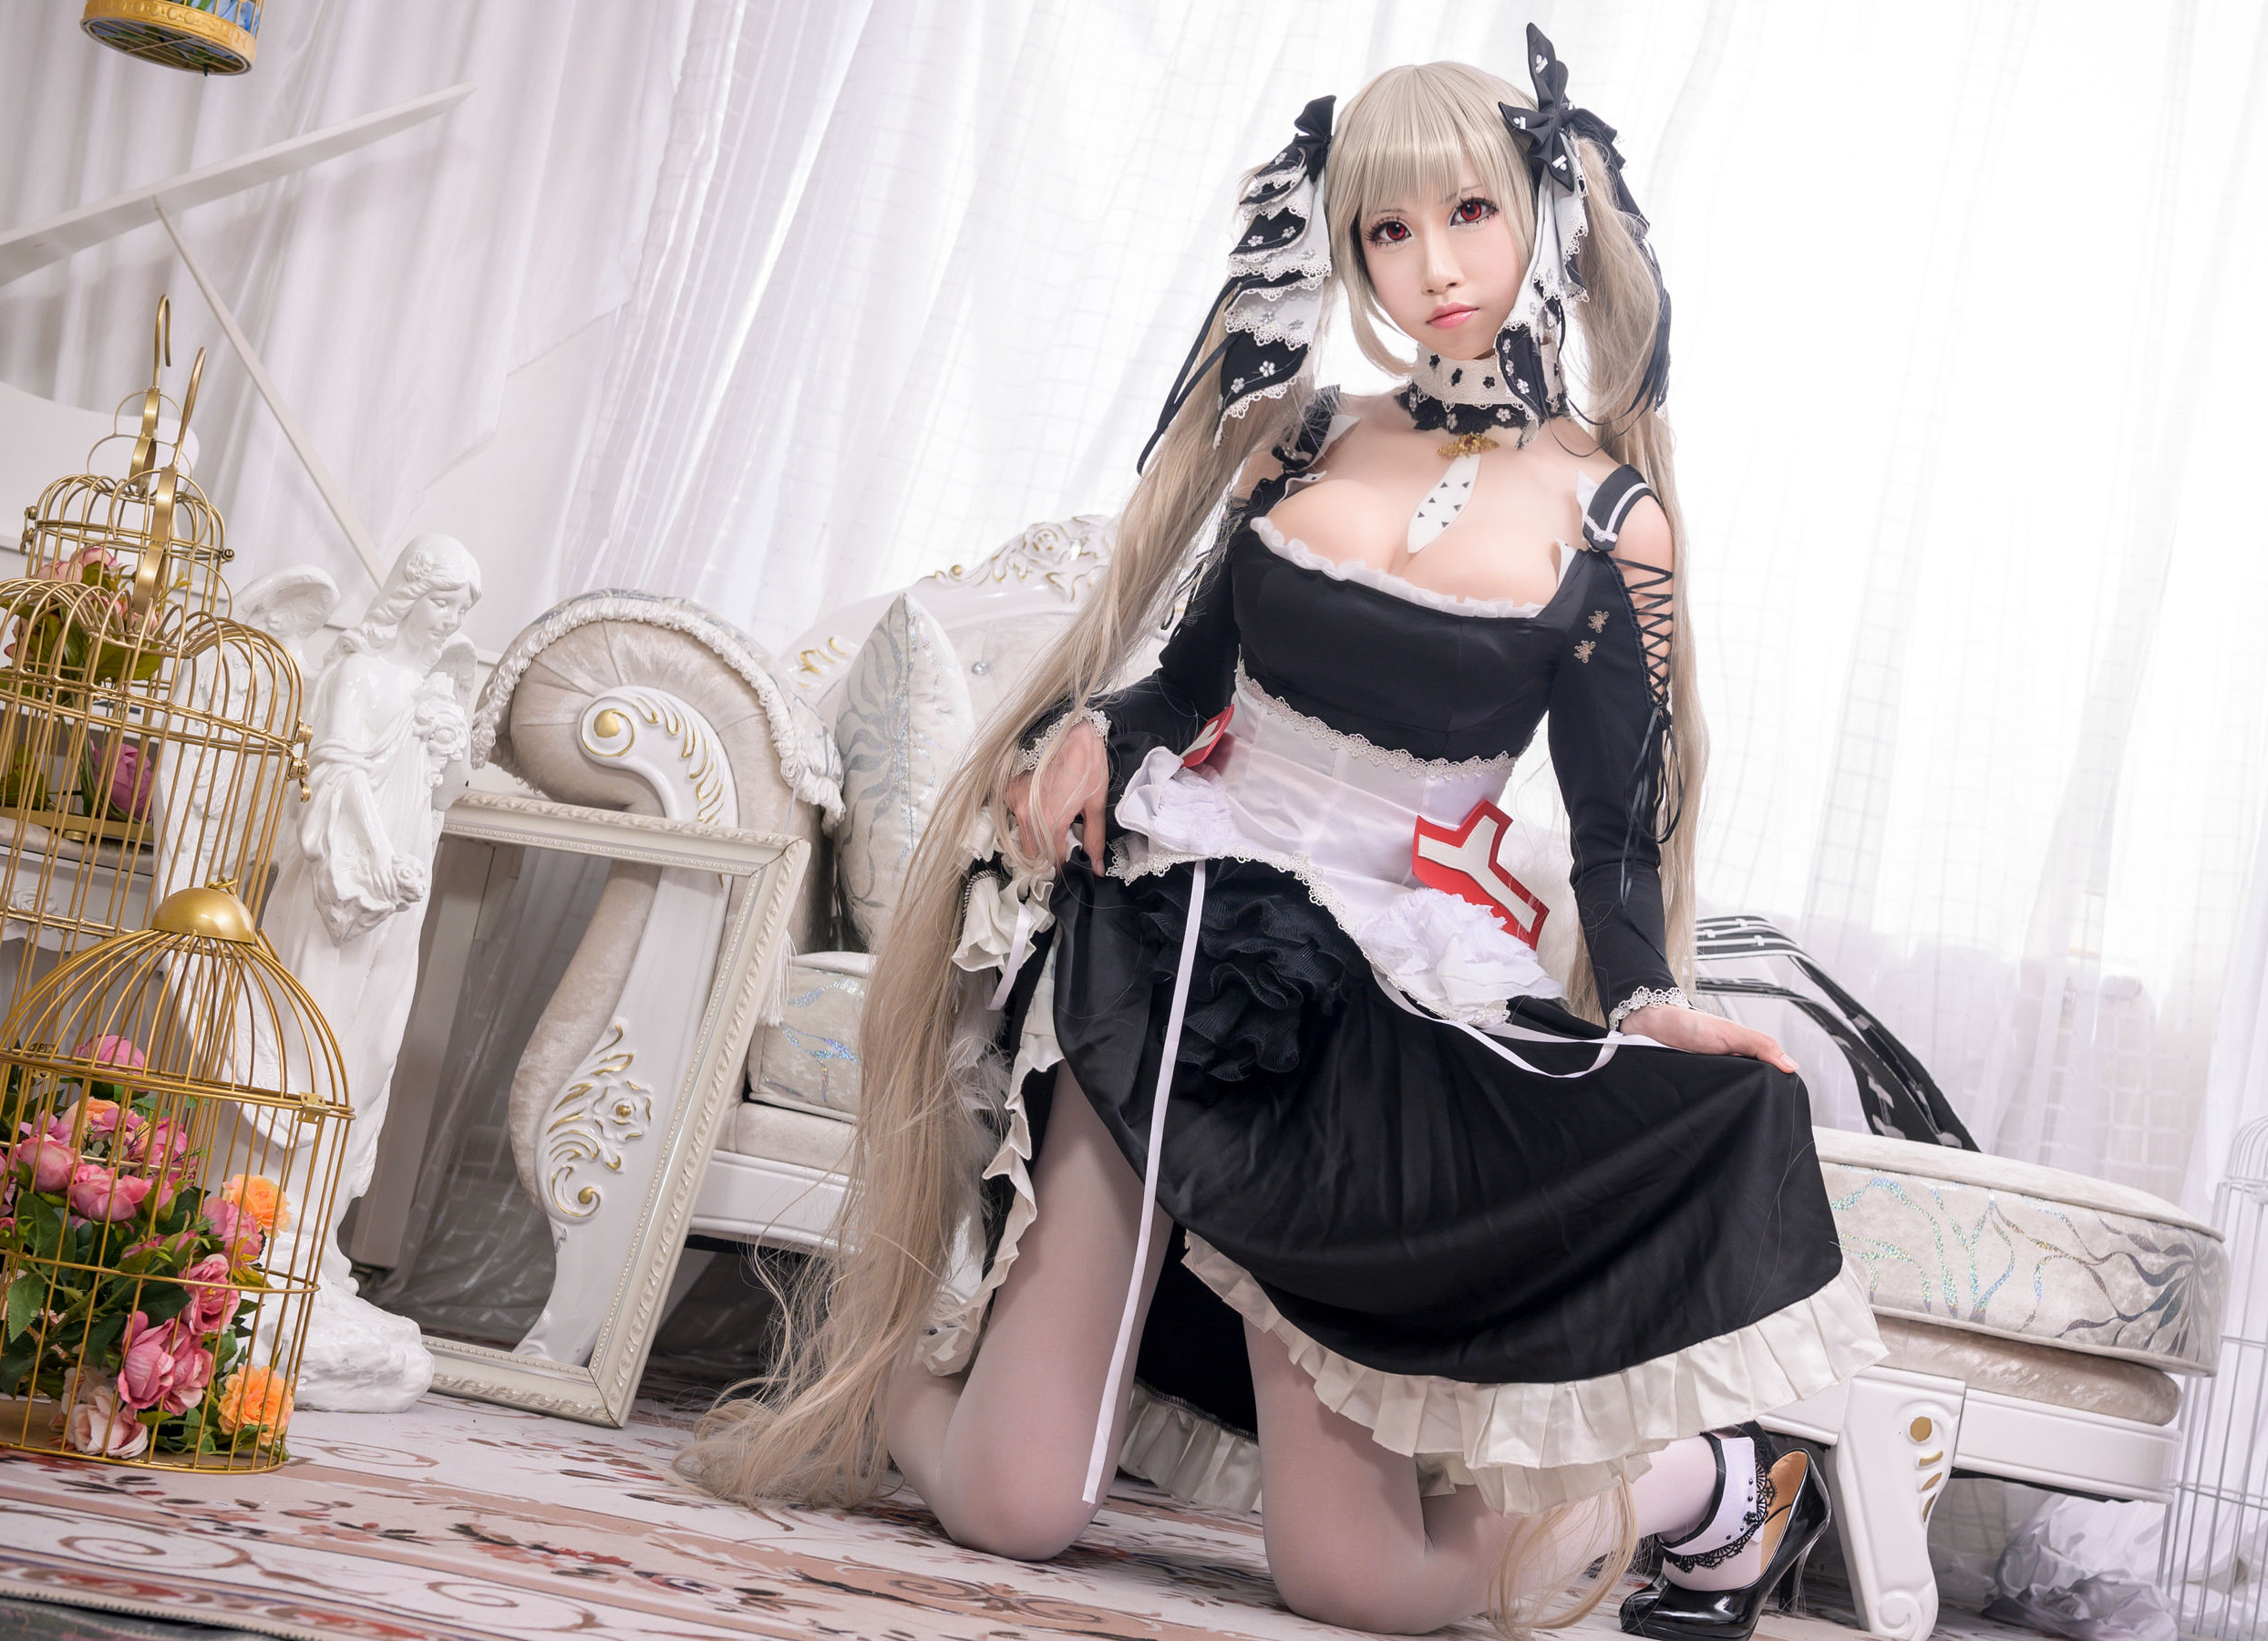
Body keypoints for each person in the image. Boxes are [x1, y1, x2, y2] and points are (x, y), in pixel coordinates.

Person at [686, 30, 1883, 1639]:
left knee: (1357, 1582)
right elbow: (1187, 682)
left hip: (1375, 1002)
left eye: (1468, 212)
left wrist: (1651, 997)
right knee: (1013, 1506)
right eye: (1387, 228)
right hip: (1174, 928)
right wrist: (1095, 732)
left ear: (1542, 211)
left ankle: (1708, 1488)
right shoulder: (1306, 434)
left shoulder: (1614, 520)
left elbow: (1615, 834)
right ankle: (877, 1368)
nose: (1432, 265)